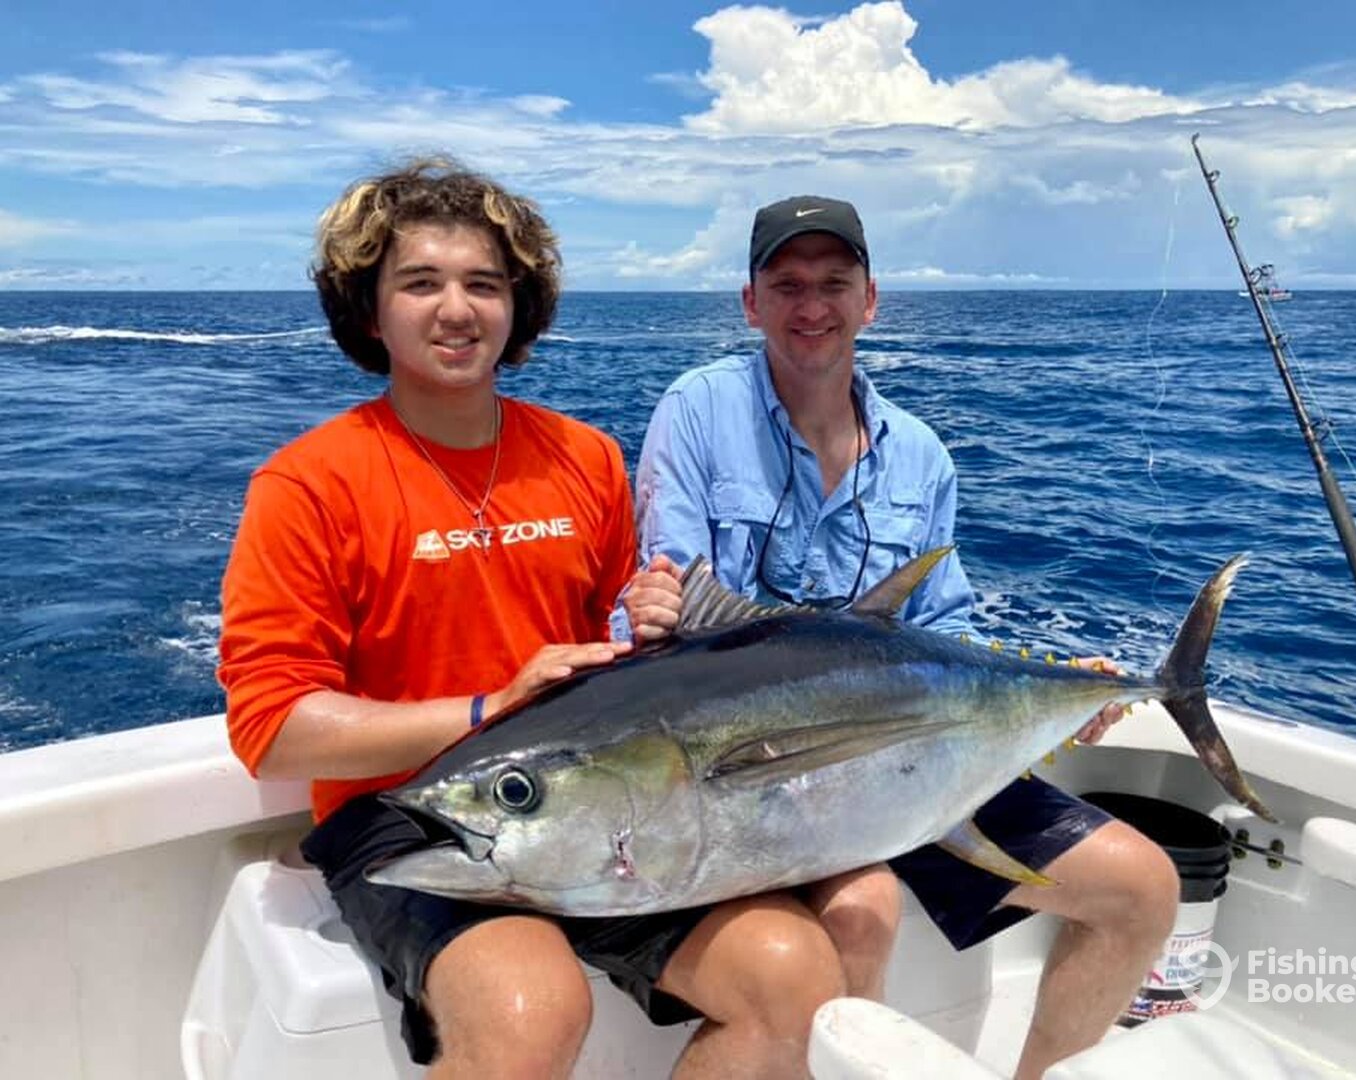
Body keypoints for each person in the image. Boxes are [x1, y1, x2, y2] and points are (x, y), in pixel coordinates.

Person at [218, 161, 864, 1079]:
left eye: (484, 284)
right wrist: (489, 711)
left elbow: (619, 646)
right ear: (369, 311)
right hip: (417, 818)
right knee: (534, 1009)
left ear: (519, 306)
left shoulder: (584, 457)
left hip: (602, 798)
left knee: (794, 975)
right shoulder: (309, 485)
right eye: (421, 283)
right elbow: (273, 728)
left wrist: (653, 620)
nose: (457, 309)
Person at [630, 195, 1182, 1079]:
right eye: (788, 285)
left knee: (1141, 888)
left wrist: (1054, 696)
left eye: (834, 283)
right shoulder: (698, 410)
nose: (812, 305)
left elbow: (945, 632)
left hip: (919, 758)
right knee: (862, 910)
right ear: (750, 304)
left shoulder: (920, 454)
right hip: (770, 771)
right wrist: (650, 608)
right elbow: (669, 602)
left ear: (872, 300)